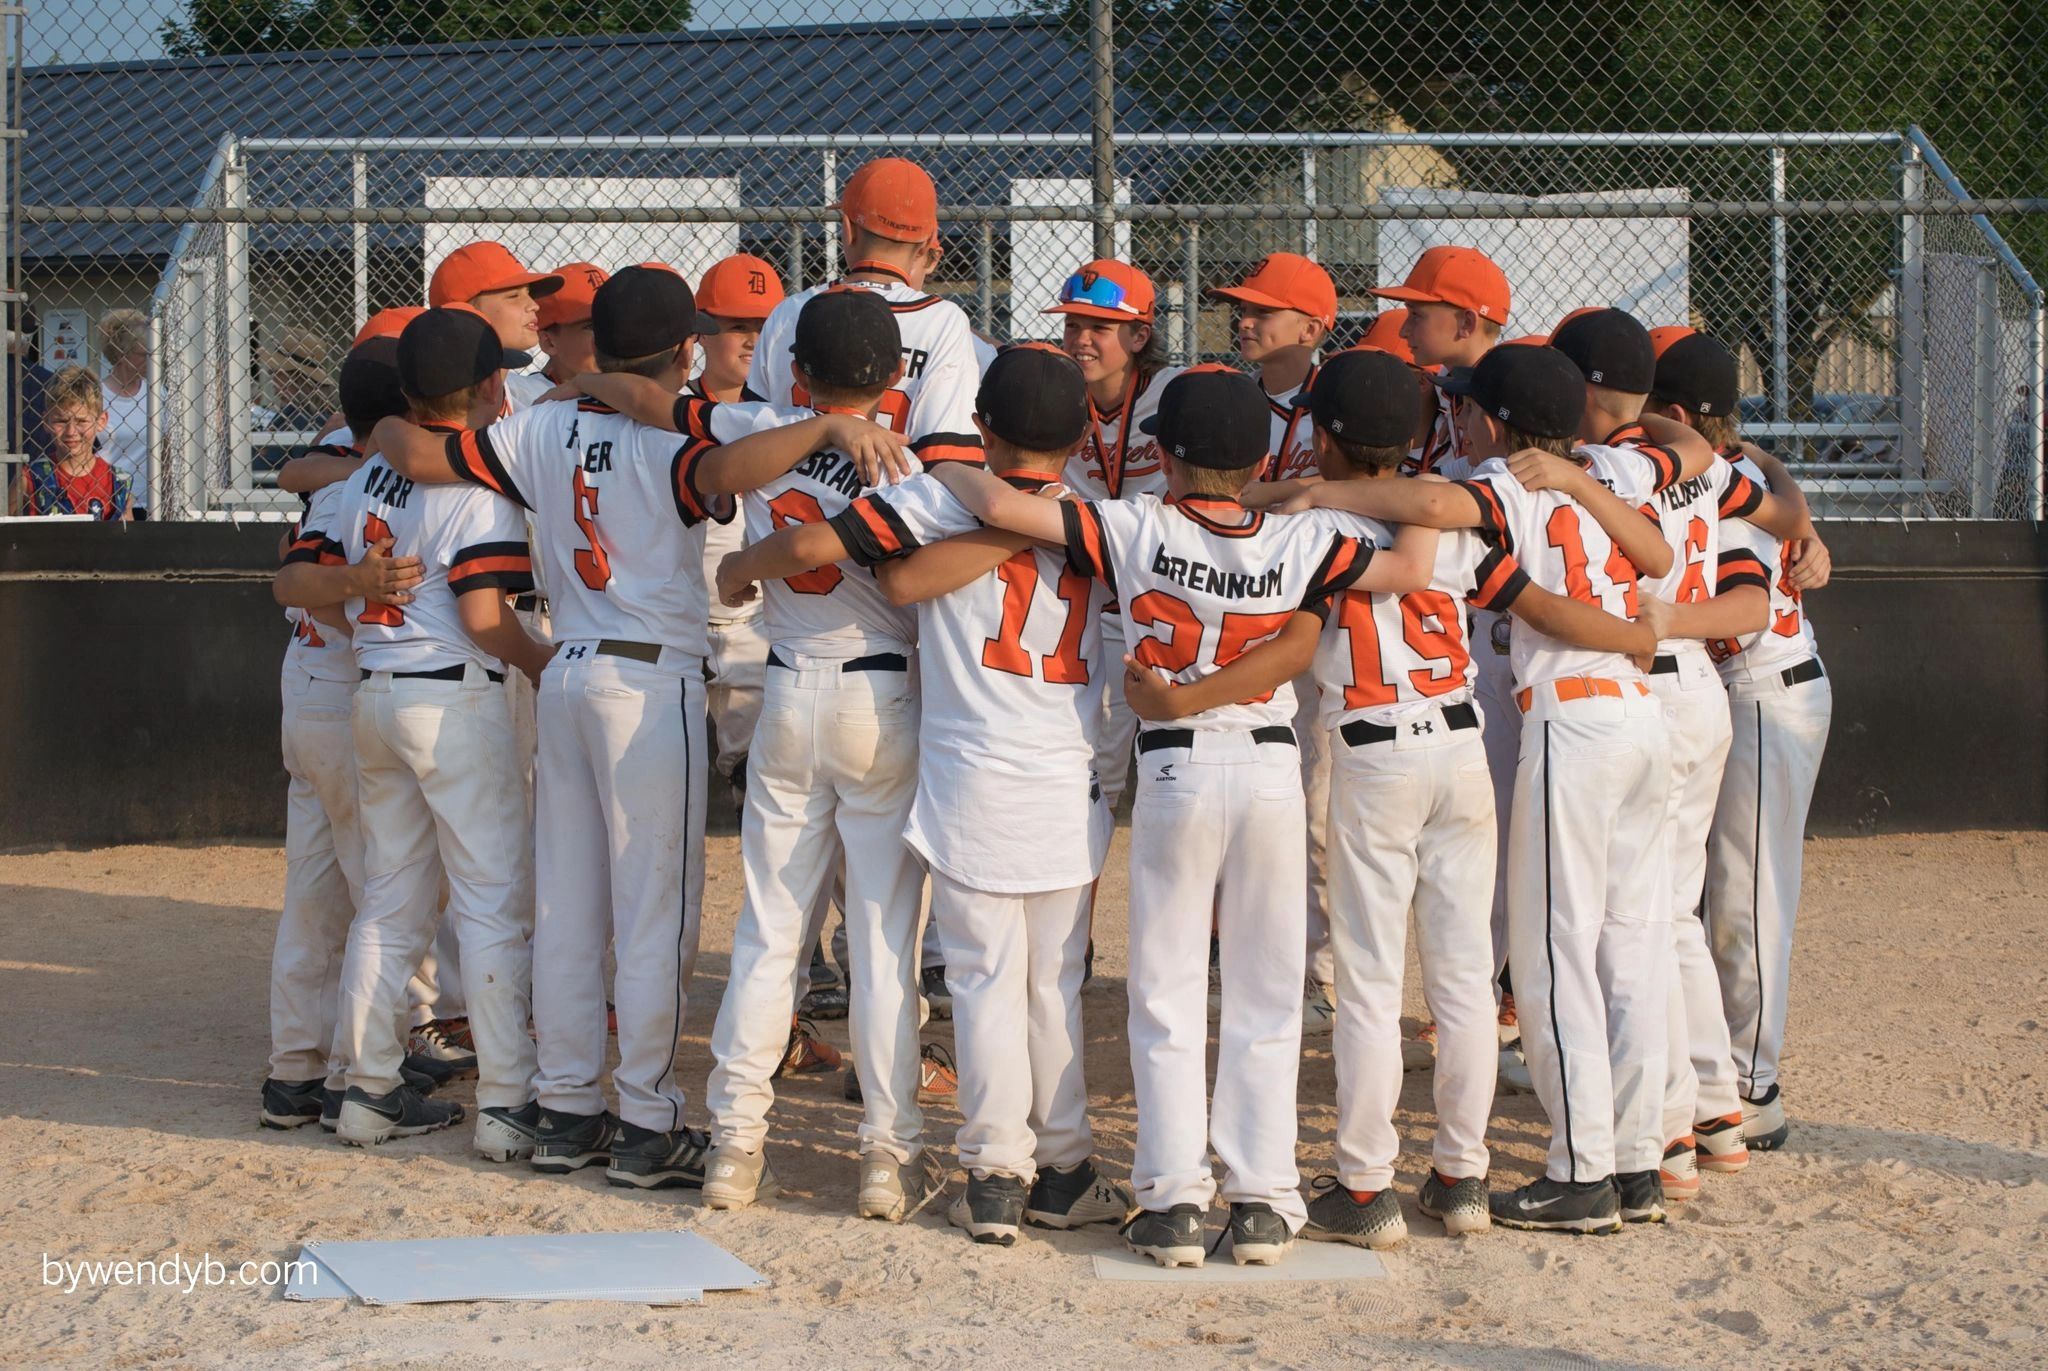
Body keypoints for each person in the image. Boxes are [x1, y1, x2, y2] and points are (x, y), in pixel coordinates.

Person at [932, 367, 1438, 1268]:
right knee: (1268, 990)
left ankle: (1170, 1200)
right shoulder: (1304, 534)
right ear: (1255, 461)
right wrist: (1312, 490)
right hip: (1272, 770)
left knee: (1166, 990)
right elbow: (1412, 562)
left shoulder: (1135, 522)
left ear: (1163, 456)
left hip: (1176, 770)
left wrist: (956, 468)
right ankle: (1263, 1200)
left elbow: (1009, 513)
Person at [718, 344, 1139, 1246]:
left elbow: (850, 559)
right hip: (1066, 770)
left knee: (985, 979)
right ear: (1080, 434)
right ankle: (1062, 1165)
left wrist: (742, 563)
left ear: (981, 425)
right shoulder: (1108, 519)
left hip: (969, 767)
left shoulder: (943, 493)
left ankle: (993, 1177)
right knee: (1052, 980)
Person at [1287, 344, 1687, 1235]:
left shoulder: (1474, 495)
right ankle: (1480, 1172)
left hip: (1434, 742)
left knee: (1483, 963)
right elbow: (1607, 575)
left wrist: (1305, 495)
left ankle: (1372, 1182)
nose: (1464, 421)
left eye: (1475, 410)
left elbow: (1425, 503)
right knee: (1496, 969)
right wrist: (1634, 639)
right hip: (1525, 736)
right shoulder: (1590, 479)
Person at [570, 289, 945, 1221]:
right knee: (884, 940)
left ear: (800, 371)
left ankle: (736, 1145)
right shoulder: (916, 455)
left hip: (786, 686)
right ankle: (887, 1159)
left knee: (770, 930)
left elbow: (658, 404)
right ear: (896, 376)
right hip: (880, 694)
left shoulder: (763, 420)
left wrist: (580, 379)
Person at [367, 266, 735, 1187]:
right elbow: (723, 467)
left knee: (568, 910)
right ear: (686, 352)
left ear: (595, 345)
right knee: (653, 915)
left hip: (565, 669)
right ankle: (648, 1122)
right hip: (650, 683)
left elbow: (413, 451)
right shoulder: (673, 435)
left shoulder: (531, 425)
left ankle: (569, 1110)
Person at [1537, 310, 1816, 1208]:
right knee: (1673, 915)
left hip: (1654, 676)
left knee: (1640, 919)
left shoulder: (1610, 470)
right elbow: (1778, 510)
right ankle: (1713, 1107)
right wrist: (1787, 494)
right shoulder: (1706, 467)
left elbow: (1750, 580)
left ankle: (1667, 1125)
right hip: (1696, 690)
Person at [274, 307, 550, 1157]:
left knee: (387, 910)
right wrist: (547, 661)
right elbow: (483, 618)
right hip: (452, 700)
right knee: (491, 900)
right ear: (489, 388)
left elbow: (297, 578)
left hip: (374, 694)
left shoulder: (364, 479)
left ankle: (366, 1093)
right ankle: (506, 1105)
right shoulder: (479, 485)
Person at [744, 156, 983, 1020]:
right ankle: (897, 1098)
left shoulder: (787, 314)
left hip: (791, 616)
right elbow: (953, 464)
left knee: (774, 909)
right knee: (891, 889)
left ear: (846, 231)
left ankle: (740, 1126)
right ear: (931, 245)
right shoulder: (948, 322)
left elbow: (770, 439)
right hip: (898, 604)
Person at [1646, 330, 1834, 1158]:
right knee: (1712, 894)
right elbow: (1776, 495)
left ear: (1679, 415)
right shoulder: (1738, 471)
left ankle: (1751, 1084)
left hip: (1765, 692)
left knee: (1746, 900)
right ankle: (1715, 1075)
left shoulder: (1720, 488)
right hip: (1744, 693)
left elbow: (1749, 608)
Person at [258, 337, 431, 1131]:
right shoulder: (374, 486)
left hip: (305, 691)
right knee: (379, 894)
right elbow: (310, 589)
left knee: (313, 889)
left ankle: (294, 1067)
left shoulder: (337, 476)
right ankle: (357, 1075)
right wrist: (361, 616)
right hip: (342, 687)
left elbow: (290, 570)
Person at [1376, 247, 1519, 1077]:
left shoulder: (1521, 391)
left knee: (1504, 846)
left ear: (1467, 322)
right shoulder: (1434, 392)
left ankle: (1505, 997)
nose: (1406, 320)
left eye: (1421, 309)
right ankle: (1489, 997)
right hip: (1469, 647)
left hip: (1520, 647)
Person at [1044, 258, 1182, 970]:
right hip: (1098, 607)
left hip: (1170, 611)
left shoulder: (1172, 392)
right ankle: (1076, 941)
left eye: (1099, 326)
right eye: (1073, 323)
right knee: (1092, 776)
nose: (1080, 338)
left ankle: (1203, 941)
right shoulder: (1055, 395)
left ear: (1139, 334)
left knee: (1184, 774)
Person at [426, 241, 564, 411]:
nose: (534, 305)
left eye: (529, 294)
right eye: (513, 296)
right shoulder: (442, 407)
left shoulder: (527, 396)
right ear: (465, 312)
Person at [11, 366, 129, 520]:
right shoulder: (30, 478)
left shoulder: (116, 482)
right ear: (46, 421)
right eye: (61, 421)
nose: (71, 432)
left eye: (81, 421)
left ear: (101, 421)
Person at [97, 310, 151, 518]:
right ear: (121, 353)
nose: (151, 360)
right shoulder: (98, 395)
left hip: (149, 501)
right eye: (144, 354)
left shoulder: (157, 394)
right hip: (107, 499)